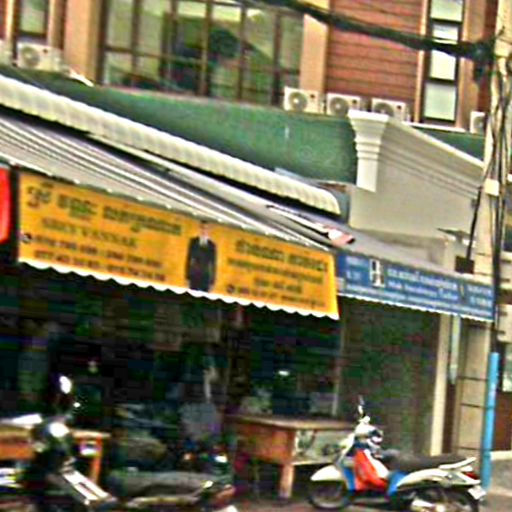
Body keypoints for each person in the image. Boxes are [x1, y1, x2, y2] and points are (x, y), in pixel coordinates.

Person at [185, 220, 217, 292]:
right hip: (194, 275)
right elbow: (188, 259)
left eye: (206, 228)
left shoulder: (212, 245)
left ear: (209, 230)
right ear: (199, 229)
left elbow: (213, 264)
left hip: (205, 277)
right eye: (202, 228)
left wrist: (212, 282)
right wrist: (187, 277)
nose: (204, 230)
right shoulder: (193, 242)